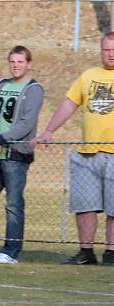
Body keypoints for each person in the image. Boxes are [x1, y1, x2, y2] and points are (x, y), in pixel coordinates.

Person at [32, 32, 114, 266]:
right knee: (84, 206)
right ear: (101, 51)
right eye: (107, 49)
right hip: (89, 153)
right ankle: (86, 252)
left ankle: (111, 253)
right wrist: (49, 130)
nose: (111, 54)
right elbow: (70, 103)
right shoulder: (88, 76)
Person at [0, 45, 44, 264]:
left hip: (15, 154)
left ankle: (11, 250)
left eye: (20, 62)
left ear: (28, 63)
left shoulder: (34, 89)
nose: (16, 66)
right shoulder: (1, 85)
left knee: (13, 204)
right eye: (13, 62)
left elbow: (26, 123)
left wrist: (1, 140)